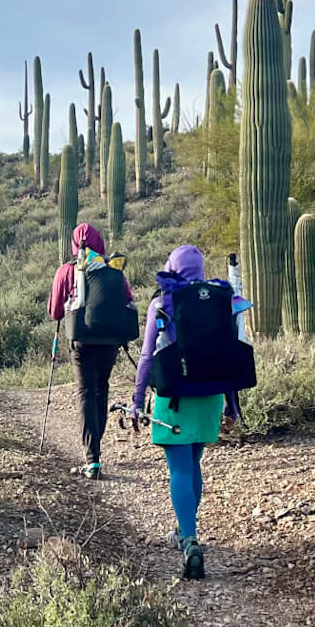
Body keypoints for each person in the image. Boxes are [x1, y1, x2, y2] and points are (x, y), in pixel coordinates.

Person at [131, 245, 252, 580]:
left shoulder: (163, 302)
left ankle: (189, 540)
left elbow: (146, 358)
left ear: (173, 266)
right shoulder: (221, 299)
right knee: (193, 464)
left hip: (175, 398)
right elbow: (231, 351)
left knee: (180, 469)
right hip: (212, 396)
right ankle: (186, 529)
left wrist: (137, 401)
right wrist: (231, 402)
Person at [47, 222, 137, 479]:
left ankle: (92, 457)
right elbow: (127, 299)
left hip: (82, 341)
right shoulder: (113, 269)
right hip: (110, 340)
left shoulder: (67, 270)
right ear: (100, 243)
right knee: (101, 388)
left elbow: (55, 312)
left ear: (74, 244)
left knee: (85, 391)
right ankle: (95, 447)